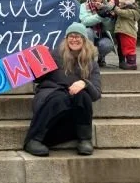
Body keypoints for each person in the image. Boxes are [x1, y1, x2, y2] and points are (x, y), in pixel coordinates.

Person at [24, 22, 101, 157]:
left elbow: (96, 94)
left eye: (78, 36)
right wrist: (37, 60)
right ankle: (34, 139)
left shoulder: (91, 64)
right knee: (59, 97)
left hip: (72, 105)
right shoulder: (54, 55)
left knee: (83, 96)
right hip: (50, 97)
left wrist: (85, 83)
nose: (74, 39)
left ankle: (84, 139)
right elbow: (38, 79)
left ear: (84, 40)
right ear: (66, 39)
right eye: (71, 36)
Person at [79, 0, 115, 67]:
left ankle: (101, 58)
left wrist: (106, 15)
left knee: (108, 44)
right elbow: (85, 21)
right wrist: (100, 15)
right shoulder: (84, 6)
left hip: (101, 36)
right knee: (88, 31)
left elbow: (109, 27)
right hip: (89, 36)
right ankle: (88, 59)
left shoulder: (107, 6)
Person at [114, 0, 140, 70]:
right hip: (124, 33)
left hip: (129, 33)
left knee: (129, 48)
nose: (119, 4)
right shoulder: (126, 10)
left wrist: (113, 7)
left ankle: (132, 63)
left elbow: (120, 12)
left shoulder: (132, 12)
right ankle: (129, 62)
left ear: (127, 4)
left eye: (121, 3)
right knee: (125, 48)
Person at [109, 0, 128, 65]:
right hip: (116, 26)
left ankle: (127, 59)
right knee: (119, 43)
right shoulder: (112, 1)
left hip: (125, 26)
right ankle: (121, 60)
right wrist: (111, 11)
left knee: (125, 43)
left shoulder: (128, 1)